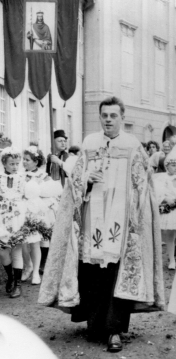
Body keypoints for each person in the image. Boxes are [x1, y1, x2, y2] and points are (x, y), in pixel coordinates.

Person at [38, 96, 165, 352]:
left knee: (114, 275)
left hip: (121, 224)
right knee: (93, 273)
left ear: (122, 117)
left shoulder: (133, 146)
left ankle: (114, 330)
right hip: (92, 220)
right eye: (104, 115)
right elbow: (74, 181)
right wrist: (86, 178)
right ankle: (95, 324)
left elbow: (143, 185)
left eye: (113, 115)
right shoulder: (89, 143)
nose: (108, 119)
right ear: (100, 116)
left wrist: (135, 211)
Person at [21, 145, 62, 283]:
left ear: (36, 162)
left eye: (27, 159)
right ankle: (28, 266)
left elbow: (52, 193)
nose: (24, 162)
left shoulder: (43, 176)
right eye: (24, 159)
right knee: (23, 243)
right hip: (22, 211)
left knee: (35, 242)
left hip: (37, 211)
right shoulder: (21, 175)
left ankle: (36, 273)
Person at [0, 147, 26, 298]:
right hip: (2, 216)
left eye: (17, 163)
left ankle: (17, 284)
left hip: (17, 215)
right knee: (3, 251)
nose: (15, 166)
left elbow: (25, 195)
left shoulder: (22, 178)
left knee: (17, 250)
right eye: (11, 164)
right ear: (4, 163)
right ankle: (10, 277)